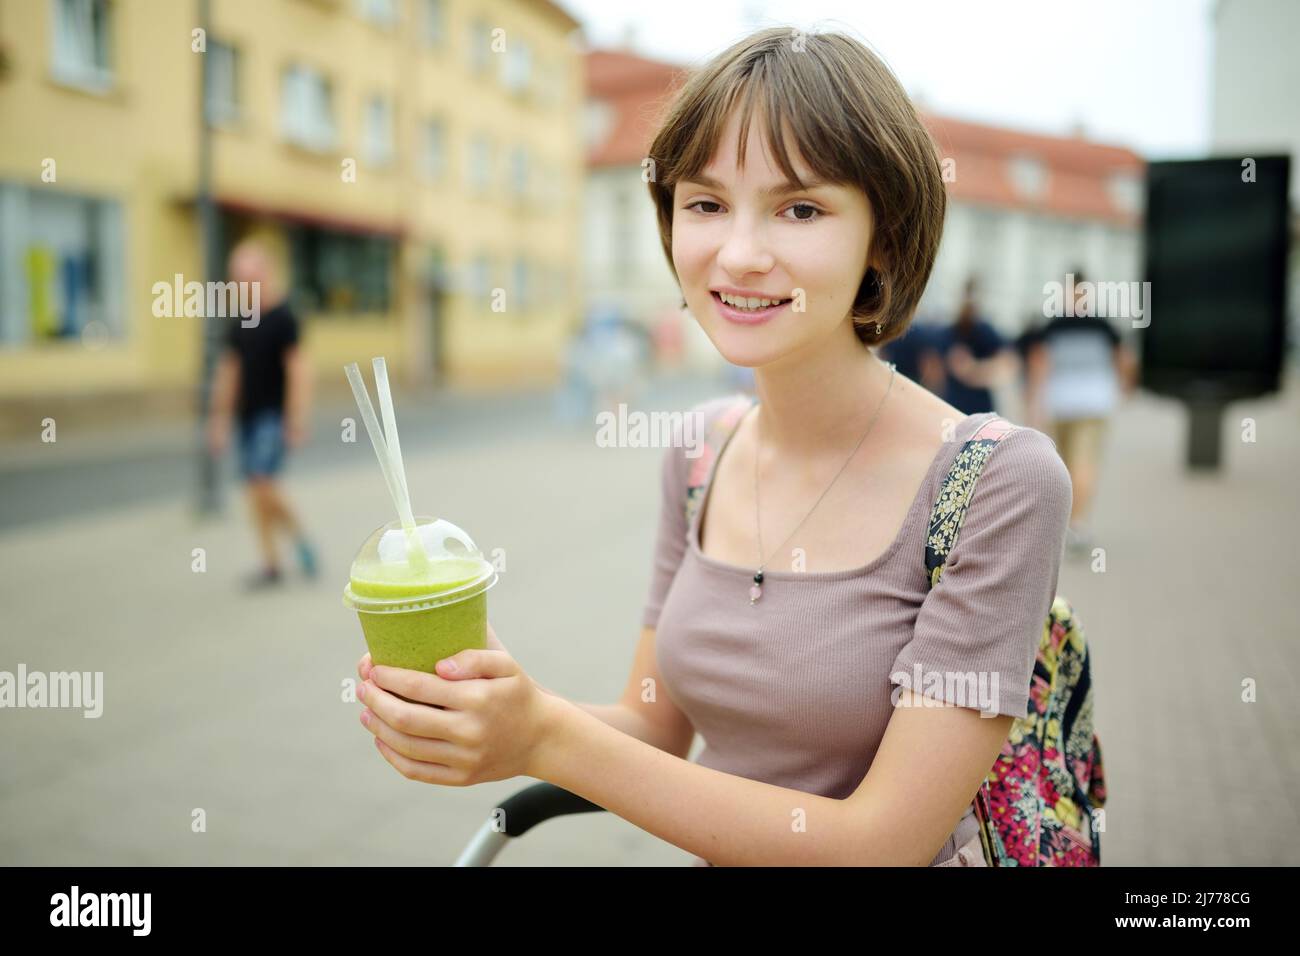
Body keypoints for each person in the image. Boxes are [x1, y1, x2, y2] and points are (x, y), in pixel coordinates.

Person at [349, 27, 1071, 867]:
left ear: (883, 234)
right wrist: (499, 706)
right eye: (705, 203)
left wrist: (544, 739)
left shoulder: (997, 482)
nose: (738, 253)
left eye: (800, 208)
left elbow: (880, 845)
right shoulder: (700, 452)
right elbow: (653, 728)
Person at [207, 238, 319, 589]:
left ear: (265, 274)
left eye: (247, 275)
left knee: (263, 483)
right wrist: (219, 419)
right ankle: (271, 563)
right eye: (237, 277)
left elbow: (299, 370)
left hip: (273, 416)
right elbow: (229, 373)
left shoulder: (284, 316)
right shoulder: (240, 322)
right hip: (246, 417)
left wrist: (296, 418)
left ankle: (299, 538)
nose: (241, 283)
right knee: (255, 494)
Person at [1027, 269, 1137, 557]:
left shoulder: (1054, 325)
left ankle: (1067, 523)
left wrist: (1035, 404)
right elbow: (1124, 358)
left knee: (1065, 464)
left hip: (1061, 403)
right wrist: (1125, 388)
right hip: (1094, 403)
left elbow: (1040, 365)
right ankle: (1077, 524)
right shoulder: (1103, 325)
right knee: (1083, 462)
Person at [931, 277, 1017, 414]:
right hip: (952, 407)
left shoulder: (985, 331)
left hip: (980, 410)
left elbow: (1008, 365)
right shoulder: (946, 333)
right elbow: (934, 372)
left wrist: (973, 370)